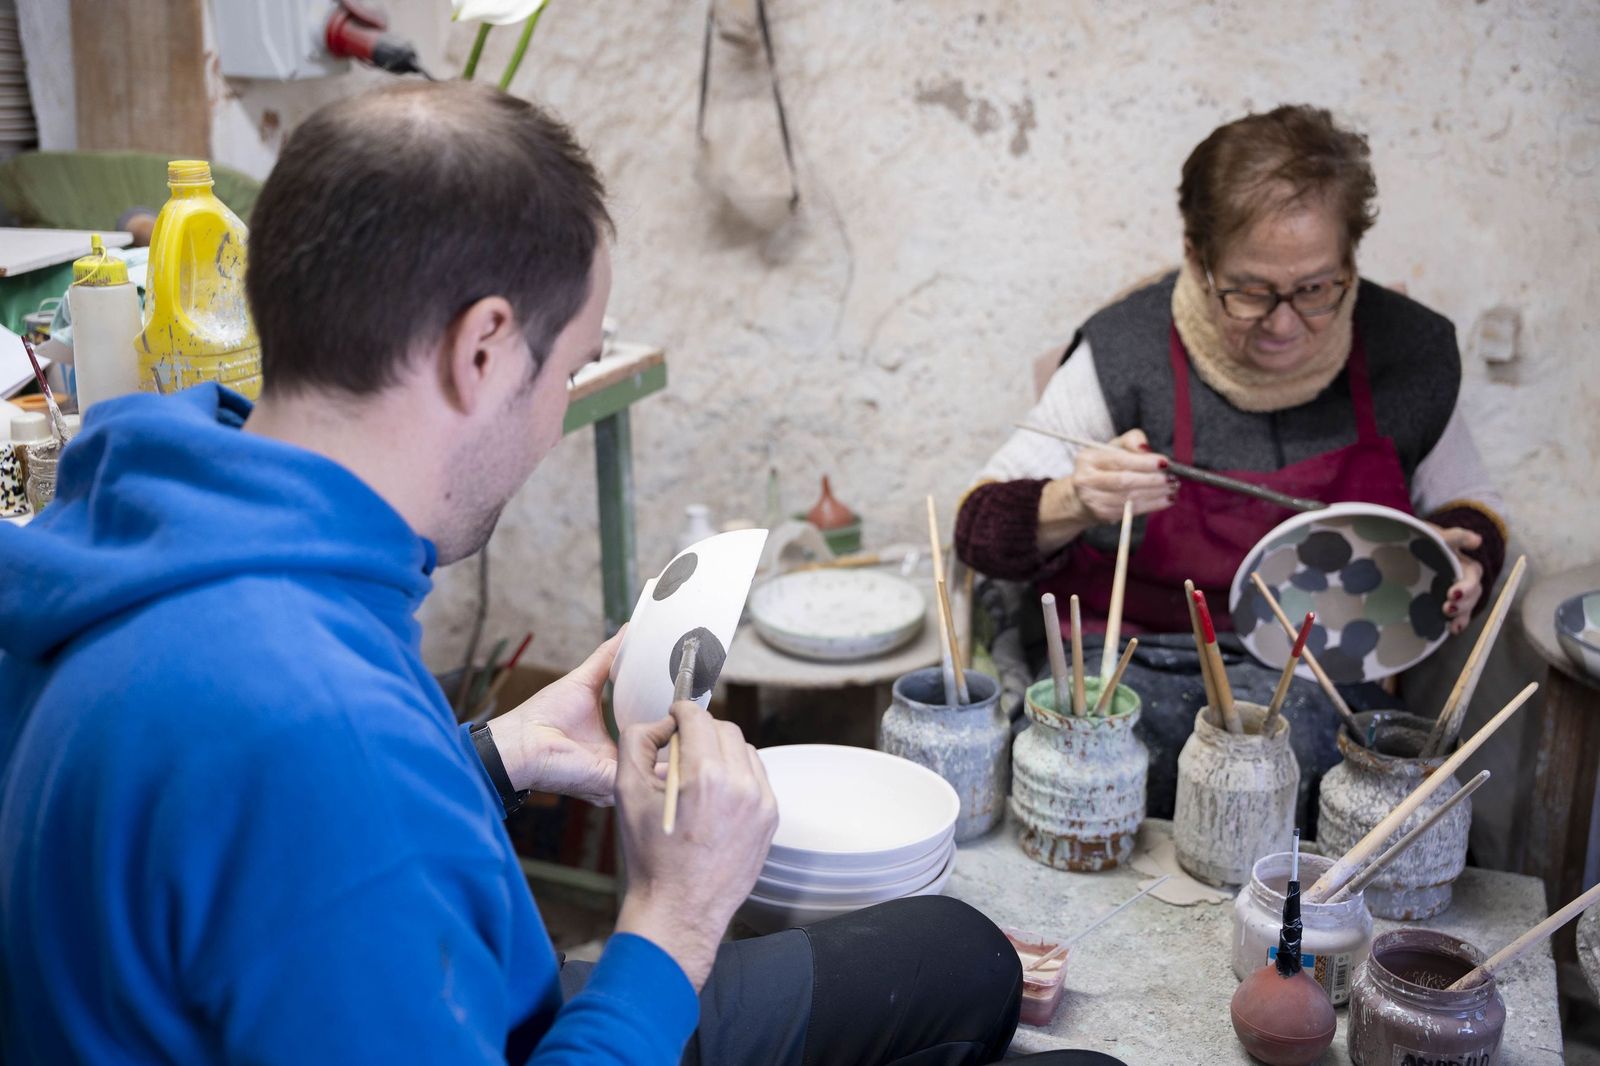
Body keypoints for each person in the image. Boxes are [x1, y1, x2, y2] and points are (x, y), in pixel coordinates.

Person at [0, 82, 1046, 1066]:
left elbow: (257, 867)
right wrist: (672, 923)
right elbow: (309, 809)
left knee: (960, 959)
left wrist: (491, 758)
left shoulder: (139, 530)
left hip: (449, 995)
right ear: (486, 348)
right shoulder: (314, 732)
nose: (556, 420)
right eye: (574, 364)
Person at [956, 105, 1507, 830]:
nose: (1283, 324)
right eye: (1249, 290)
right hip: (1128, 663)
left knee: (1343, 791)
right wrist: (1073, 500)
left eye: (1315, 288)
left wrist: (1466, 560)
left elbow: (1470, 507)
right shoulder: (1129, 350)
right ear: (1196, 255)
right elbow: (976, 527)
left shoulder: (1407, 353)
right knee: (1120, 775)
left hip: (1322, 678)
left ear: (1351, 260)